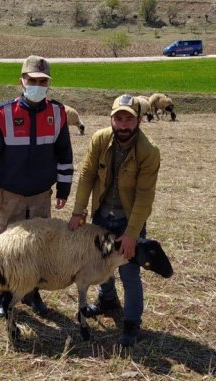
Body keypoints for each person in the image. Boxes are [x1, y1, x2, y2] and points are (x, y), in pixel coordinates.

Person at [0, 55, 74, 319]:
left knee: (39, 247)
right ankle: (2, 293)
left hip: (41, 195)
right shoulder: (3, 113)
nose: (37, 86)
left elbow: (65, 154)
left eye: (43, 81)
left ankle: (32, 292)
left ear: (49, 84)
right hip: (10, 194)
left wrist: (63, 190)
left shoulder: (57, 113)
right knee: (5, 245)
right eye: (32, 80)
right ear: (22, 81)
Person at [68, 94, 160, 347]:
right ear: (111, 119)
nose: (123, 125)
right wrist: (78, 211)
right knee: (101, 264)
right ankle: (107, 300)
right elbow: (87, 175)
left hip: (128, 220)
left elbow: (144, 195)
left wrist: (132, 234)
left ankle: (131, 322)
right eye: (118, 119)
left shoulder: (149, 151)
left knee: (129, 273)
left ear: (138, 120)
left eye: (128, 119)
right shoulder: (100, 139)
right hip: (102, 217)